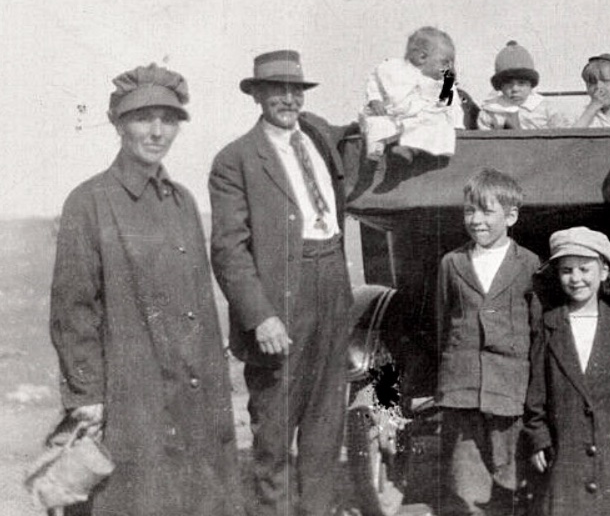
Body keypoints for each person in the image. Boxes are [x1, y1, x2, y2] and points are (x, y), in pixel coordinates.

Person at [50, 64, 243, 516]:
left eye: (169, 120)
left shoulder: (182, 201)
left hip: (194, 392)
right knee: (135, 499)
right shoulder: (89, 202)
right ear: (118, 124)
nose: (157, 132)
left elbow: (198, 306)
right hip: (131, 397)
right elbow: (73, 310)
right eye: (143, 118)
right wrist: (87, 396)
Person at [209, 50, 352, 516]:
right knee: (274, 424)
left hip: (332, 280)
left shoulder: (318, 137)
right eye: (277, 91)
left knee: (326, 418)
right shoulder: (235, 159)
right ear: (257, 96)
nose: (288, 99)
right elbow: (229, 250)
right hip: (281, 297)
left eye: (296, 90)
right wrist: (261, 316)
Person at [523, 227, 610, 516]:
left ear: (604, 272)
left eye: (584, 269)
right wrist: (538, 438)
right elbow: (536, 390)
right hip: (565, 456)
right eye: (567, 270)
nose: (576, 278)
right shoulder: (548, 325)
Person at [435, 168, 542, 516]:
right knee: (466, 482)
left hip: (509, 391)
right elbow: (442, 323)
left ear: (511, 216)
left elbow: (537, 330)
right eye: (469, 211)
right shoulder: (452, 263)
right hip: (462, 390)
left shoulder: (529, 264)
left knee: (513, 478)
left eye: (486, 211)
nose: (476, 220)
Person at [361, 25, 465, 158]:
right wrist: (375, 99)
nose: (450, 68)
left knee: (437, 127)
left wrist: (457, 126)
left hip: (424, 118)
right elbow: (375, 80)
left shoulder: (444, 84)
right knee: (377, 123)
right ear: (422, 57)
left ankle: (410, 151)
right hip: (393, 116)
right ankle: (376, 151)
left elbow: (453, 106)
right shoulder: (394, 69)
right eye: (445, 62)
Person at [478, 41, 567, 130]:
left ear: (530, 85)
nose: (515, 89)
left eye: (521, 83)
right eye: (508, 84)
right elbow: (484, 135)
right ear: (500, 87)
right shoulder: (490, 111)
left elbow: (563, 134)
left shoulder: (547, 109)